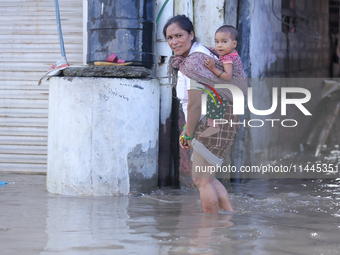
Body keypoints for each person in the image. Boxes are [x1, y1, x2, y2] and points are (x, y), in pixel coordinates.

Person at [163, 15, 247, 214]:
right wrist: (188, 129)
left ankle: (207, 236)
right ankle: (228, 221)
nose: (174, 42)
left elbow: (194, 104)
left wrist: (189, 133)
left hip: (213, 120)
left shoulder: (195, 62)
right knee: (206, 177)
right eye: (169, 38)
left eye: (179, 35)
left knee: (201, 179)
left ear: (191, 34)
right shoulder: (196, 56)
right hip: (217, 119)